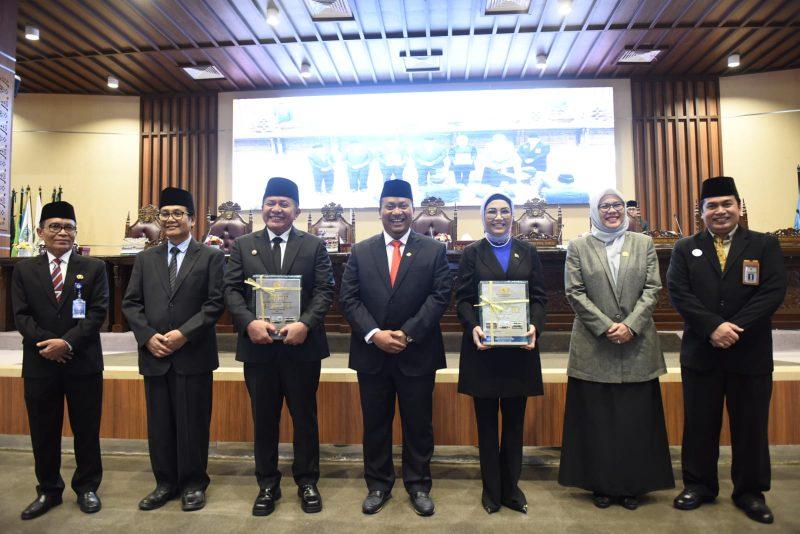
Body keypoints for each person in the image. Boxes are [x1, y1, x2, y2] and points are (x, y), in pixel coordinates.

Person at [667, 176, 787, 524]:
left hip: (749, 354)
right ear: (700, 212)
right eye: (711, 206)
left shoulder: (764, 245)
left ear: (739, 206)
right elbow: (679, 292)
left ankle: (750, 492)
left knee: (751, 426)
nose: (719, 211)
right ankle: (699, 485)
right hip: (701, 353)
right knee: (700, 424)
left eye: (726, 204)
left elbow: (772, 291)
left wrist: (733, 328)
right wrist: (712, 327)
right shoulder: (685, 247)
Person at [339, 179, 451, 516]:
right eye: (390, 205)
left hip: (417, 351)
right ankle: (378, 484)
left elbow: (440, 295)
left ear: (413, 209)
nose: (397, 211)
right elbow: (348, 297)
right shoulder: (361, 250)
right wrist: (375, 334)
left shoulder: (434, 250)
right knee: (375, 423)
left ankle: (418, 485)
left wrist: (407, 333)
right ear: (380, 210)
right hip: (372, 352)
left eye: (403, 204)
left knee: (419, 424)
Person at [224, 177, 334, 517]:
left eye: (284, 203)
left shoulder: (314, 245)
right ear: (262, 208)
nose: (276, 209)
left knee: (305, 417)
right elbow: (230, 291)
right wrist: (248, 322)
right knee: (265, 419)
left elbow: (325, 291)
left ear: (296, 210)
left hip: (302, 347)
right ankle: (267, 484)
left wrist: (306, 324)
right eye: (271, 202)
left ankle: (307, 481)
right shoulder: (244, 246)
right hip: (259, 349)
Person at [558, 188, 674, 510]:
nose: (612, 210)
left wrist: (631, 325)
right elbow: (574, 292)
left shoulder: (644, 243)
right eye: (605, 206)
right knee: (598, 421)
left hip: (637, 346)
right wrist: (607, 326)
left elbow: (653, 289)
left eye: (618, 205)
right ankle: (602, 485)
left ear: (626, 209)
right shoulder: (579, 246)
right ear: (595, 210)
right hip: (595, 346)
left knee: (634, 420)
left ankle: (632, 486)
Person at [122, 187, 225, 512]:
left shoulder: (210, 256)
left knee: (193, 422)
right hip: (155, 355)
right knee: (160, 423)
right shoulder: (145, 258)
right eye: (165, 213)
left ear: (192, 220)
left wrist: (184, 334)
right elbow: (131, 303)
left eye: (178, 213)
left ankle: (194, 483)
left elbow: (215, 303)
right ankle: (165, 483)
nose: (170, 219)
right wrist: (147, 336)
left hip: (192, 354)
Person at [12, 201, 109, 519]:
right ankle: (49, 490)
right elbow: (20, 315)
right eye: (55, 226)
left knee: (86, 429)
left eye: (69, 226)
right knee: (43, 430)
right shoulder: (24, 269)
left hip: (82, 363)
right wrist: (47, 344)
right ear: (40, 232)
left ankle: (87, 488)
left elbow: (97, 313)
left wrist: (66, 342)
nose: (62, 232)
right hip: (40, 363)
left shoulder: (94, 268)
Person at [455, 193, 547, 514]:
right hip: (484, 350)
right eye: (491, 211)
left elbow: (539, 297)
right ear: (483, 217)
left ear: (513, 216)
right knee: (486, 424)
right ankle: (491, 489)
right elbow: (463, 299)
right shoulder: (471, 254)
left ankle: (512, 488)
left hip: (519, 351)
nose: (498, 217)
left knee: (514, 423)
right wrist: (472, 327)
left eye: (504, 211)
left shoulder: (528, 252)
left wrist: (535, 325)